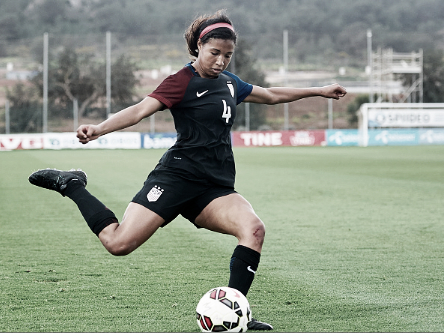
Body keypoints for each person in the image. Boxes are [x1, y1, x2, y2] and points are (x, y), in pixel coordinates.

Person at [29, 10, 346, 331]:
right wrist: (99, 128)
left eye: (228, 55)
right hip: (175, 178)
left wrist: (318, 90)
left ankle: (235, 312)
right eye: (214, 53)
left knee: (254, 230)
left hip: (215, 186)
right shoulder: (181, 82)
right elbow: (140, 110)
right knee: (118, 244)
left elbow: (272, 95)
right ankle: (72, 184)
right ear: (198, 46)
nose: (221, 61)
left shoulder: (230, 83)